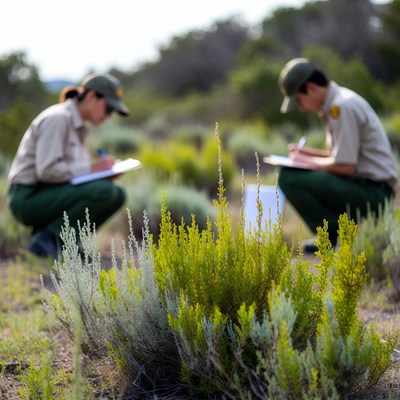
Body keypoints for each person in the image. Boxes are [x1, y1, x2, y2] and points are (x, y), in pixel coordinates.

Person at [277, 58, 397, 253]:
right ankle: (341, 235)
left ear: (311, 88)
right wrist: (306, 155)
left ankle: (337, 237)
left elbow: (345, 167)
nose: (300, 107)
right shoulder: (338, 102)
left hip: (374, 194)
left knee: (288, 178)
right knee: (292, 173)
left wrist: (306, 162)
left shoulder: (340, 107)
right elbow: (342, 157)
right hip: (370, 190)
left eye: (298, 99)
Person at [7, 73, 130, 259]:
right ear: (90, 97)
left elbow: (70, 175)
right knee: (105, 191)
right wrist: (94, 169)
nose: (109, 116)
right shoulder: (58, 119)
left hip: (47, 193)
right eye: (108, 108)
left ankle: (64, 243)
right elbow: (47, 171)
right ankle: (48, 241)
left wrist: (102, 173)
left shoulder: (80, 126)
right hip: (27, 197)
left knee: (117, 194)